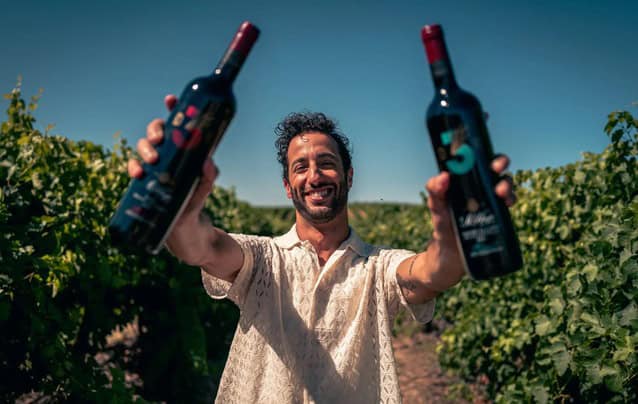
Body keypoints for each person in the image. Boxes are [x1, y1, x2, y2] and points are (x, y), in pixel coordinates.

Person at [128, 95, 516, 403]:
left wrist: (453, 239)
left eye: (327, 163)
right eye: (301, 167)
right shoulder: (262, 260)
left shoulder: (377, 268)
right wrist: (180, 208)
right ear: (287, 186)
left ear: (349, 176)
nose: (314, 176)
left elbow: (431, 273)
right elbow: (200, 247)